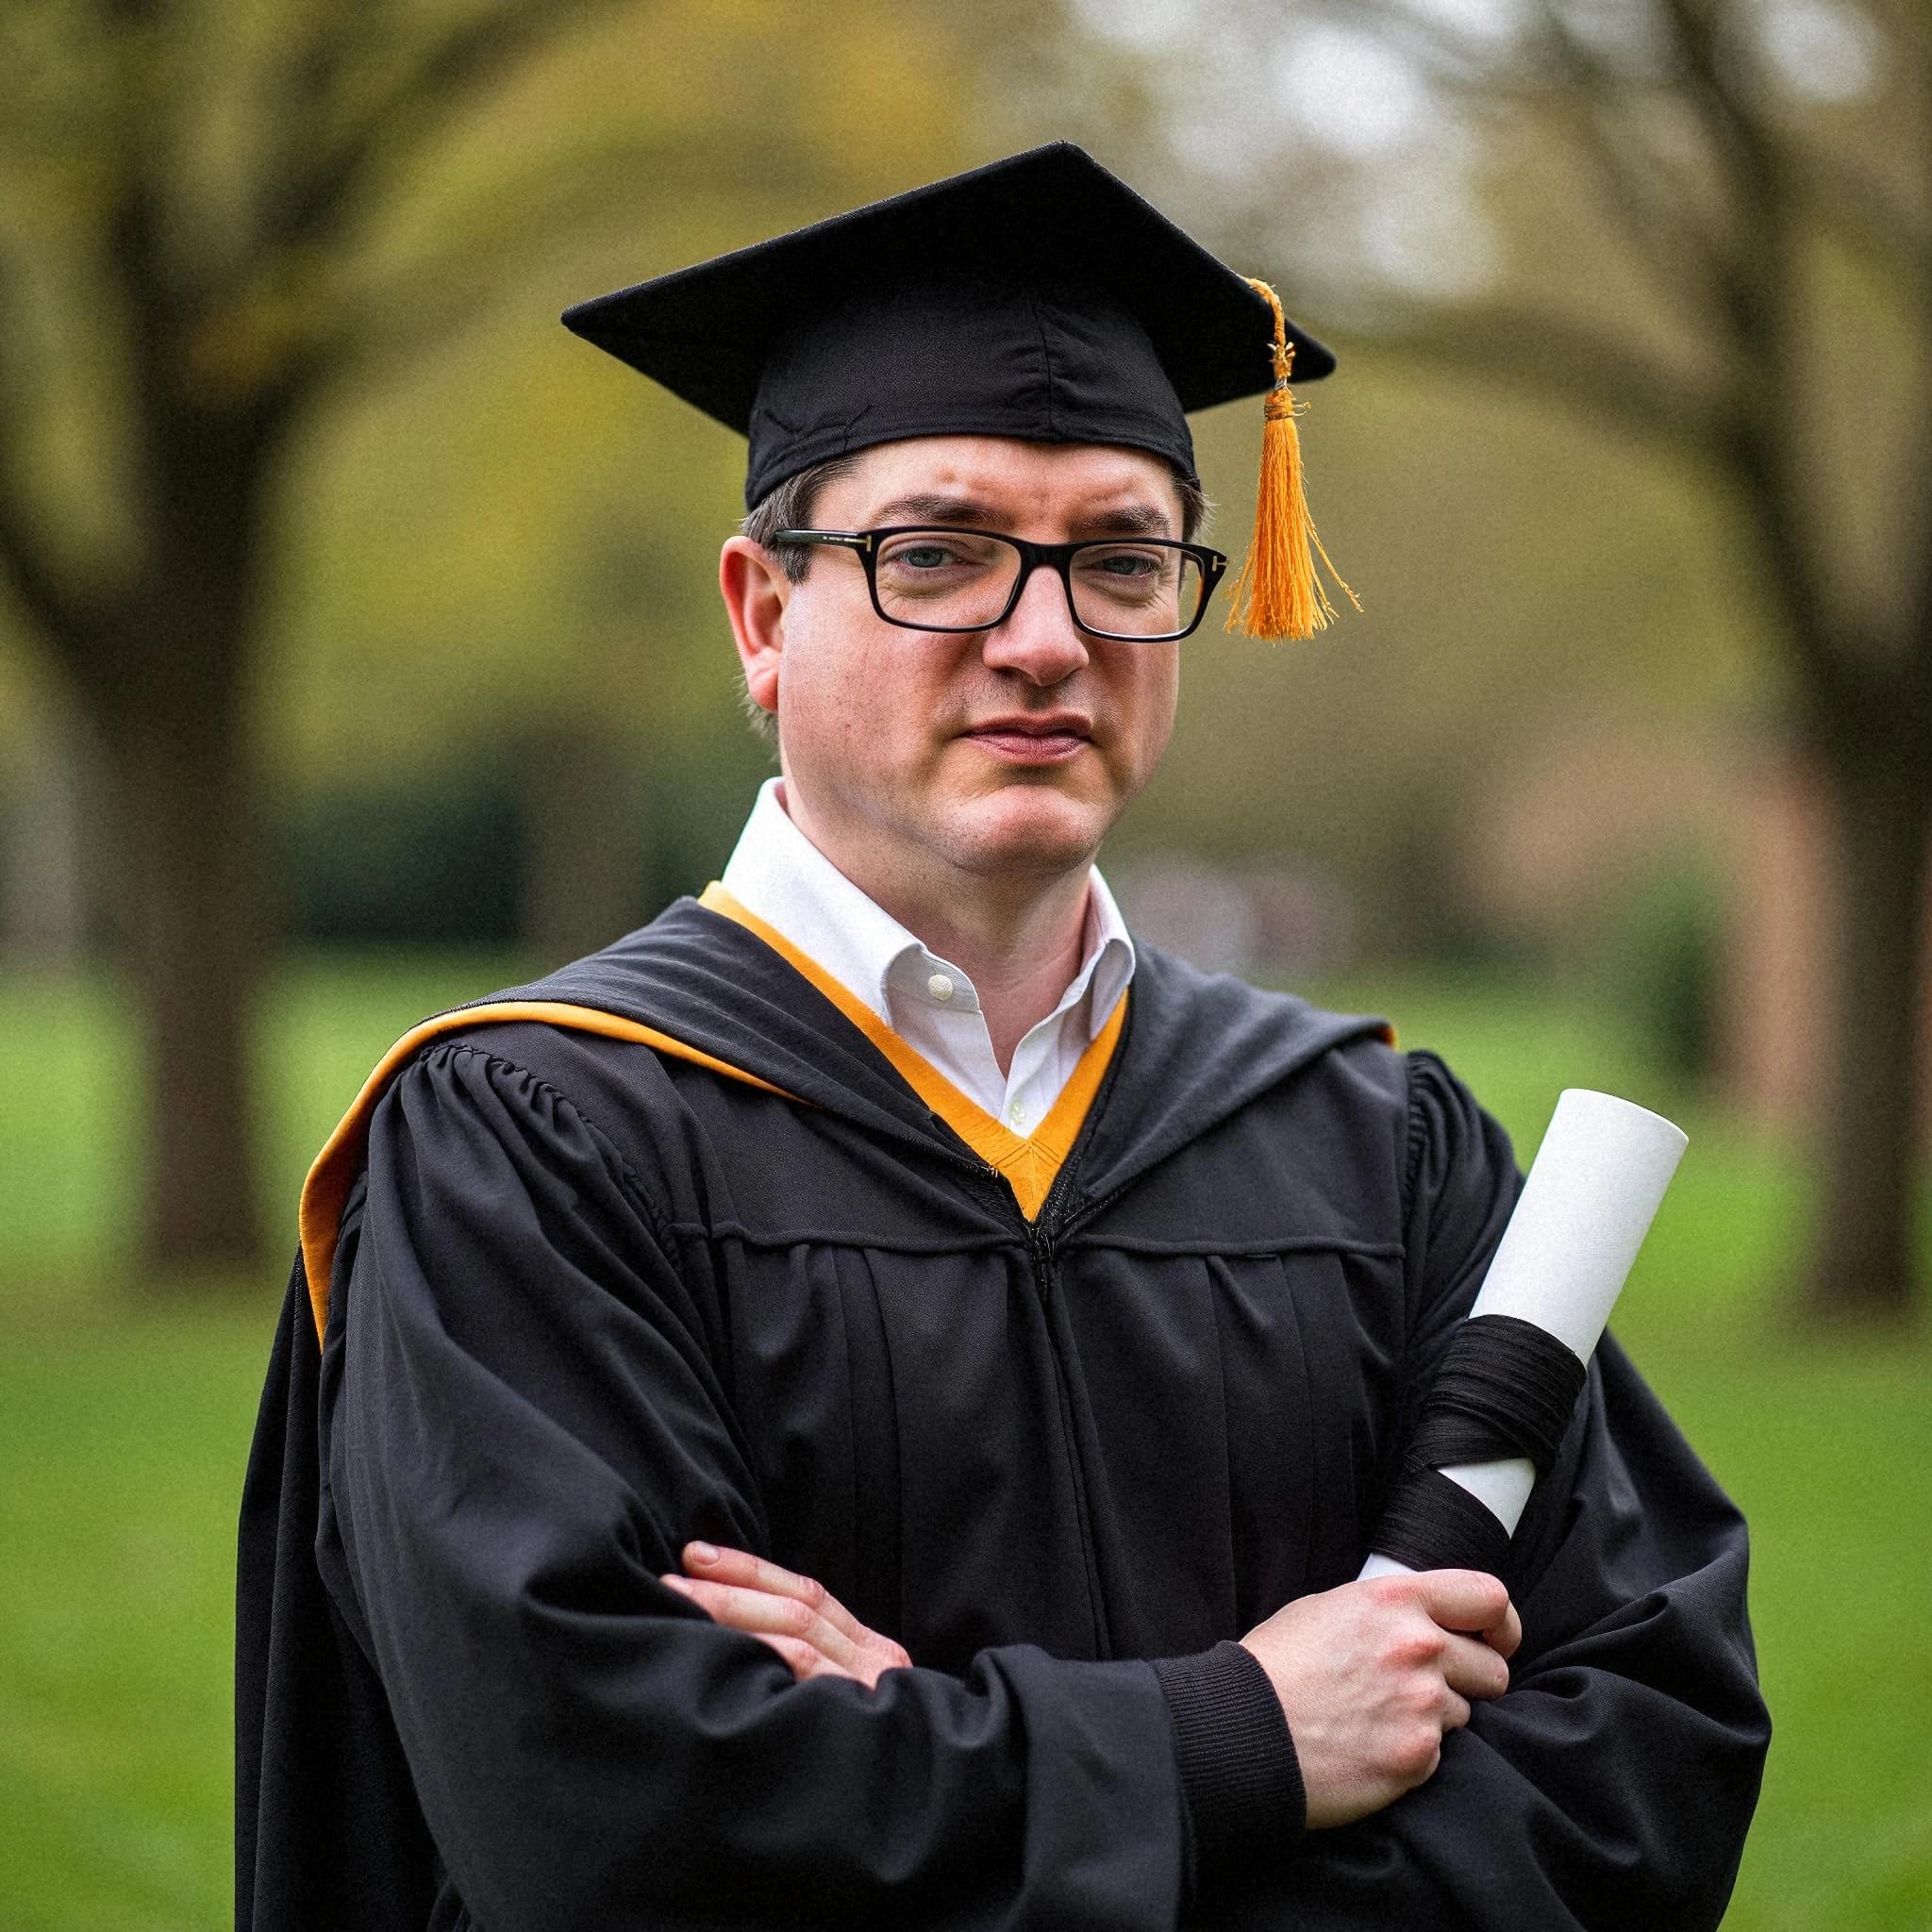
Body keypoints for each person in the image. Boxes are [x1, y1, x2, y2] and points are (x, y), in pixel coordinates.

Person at [236, 143, 1768, 1932]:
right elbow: (610, 1830)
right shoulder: (529, 1140)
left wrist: (904, 1763)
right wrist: (1240, 1739)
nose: (1047, 641)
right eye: (938, 554)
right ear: (760, 613)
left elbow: (1641, 1766)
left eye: (1123, 560)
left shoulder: (1376, 1146)